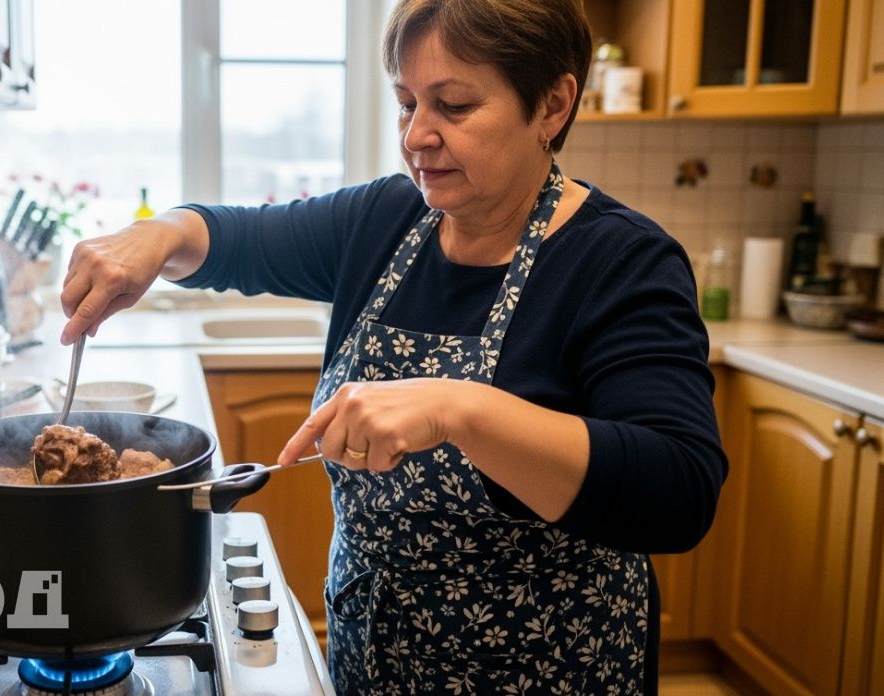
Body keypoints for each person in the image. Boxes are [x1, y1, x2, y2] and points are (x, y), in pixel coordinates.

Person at [58, 0, 726, 693]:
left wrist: (461, 411)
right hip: (375, 657)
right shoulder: (384, 221)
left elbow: (678, 489)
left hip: (550, 670)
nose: (417, 137)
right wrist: (160, 234)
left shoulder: (622, 262)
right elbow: (236, 239)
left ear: (553, 106)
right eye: (407, 103)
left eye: (455, 106)